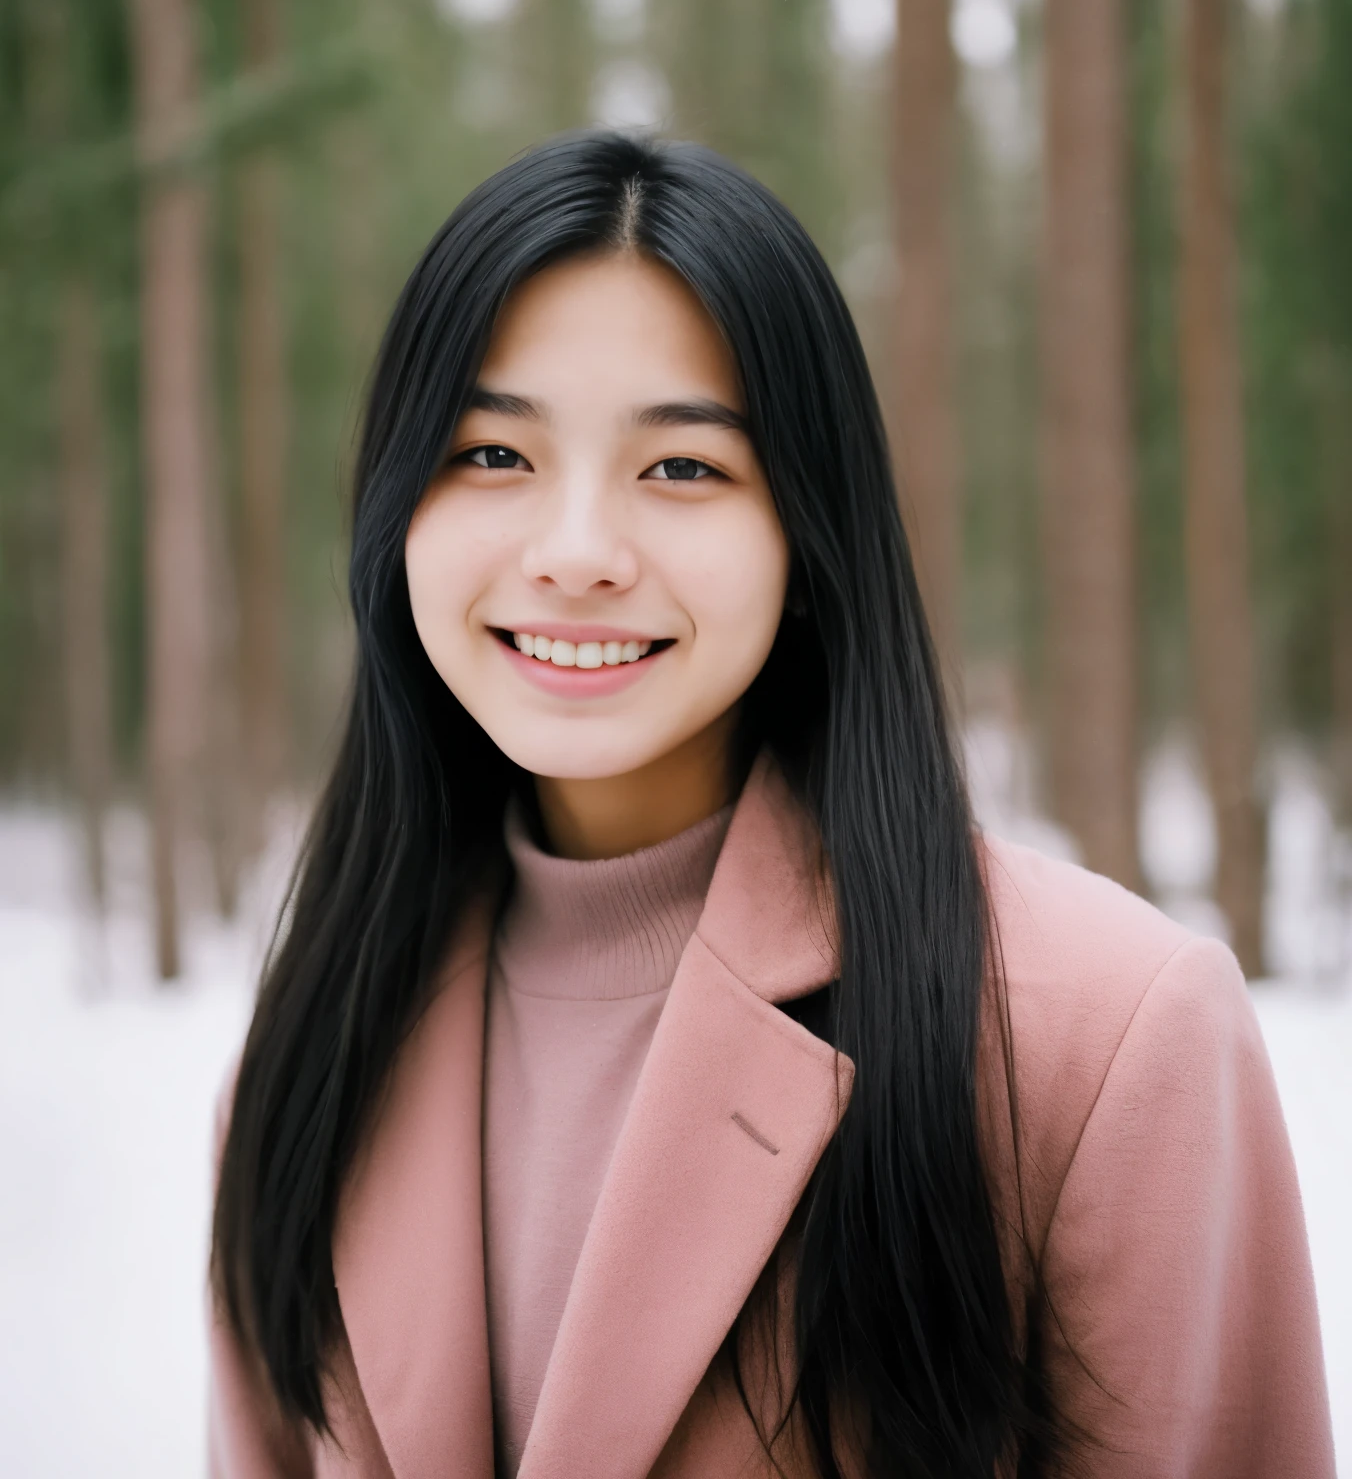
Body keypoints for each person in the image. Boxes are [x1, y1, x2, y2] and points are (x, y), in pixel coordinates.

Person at [208, 133, 1334, 1479]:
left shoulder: (1098, 1043)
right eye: (493, 454)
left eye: (682, 469)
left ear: (807, 540)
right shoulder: (314, 1057)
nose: (574, 555)